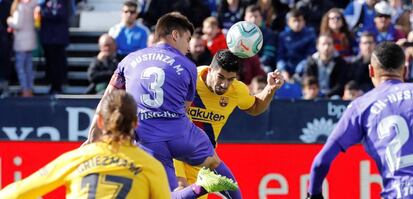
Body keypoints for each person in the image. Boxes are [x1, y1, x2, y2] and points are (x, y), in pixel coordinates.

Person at [84, 12, 239, 199]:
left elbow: (107, 99)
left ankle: (198, 188)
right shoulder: (189, 66)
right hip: (180, 131)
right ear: (175, 35)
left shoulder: (128, 60)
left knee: (165, 195)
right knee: (214, 163)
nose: (188, 48)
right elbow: (185, 108)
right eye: (187, 40)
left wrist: (93, 134)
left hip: (147, 136)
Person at [0, 90, 171, 198]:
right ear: (135, 123)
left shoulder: (76, 158)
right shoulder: (151, 166)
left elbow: (15, 194)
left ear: (100, 122)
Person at [307, 42, 413, 199]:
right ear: (405, 71)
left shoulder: (362, 106)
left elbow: (320, 162)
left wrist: (313, 194)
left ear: (371, 71)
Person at [174, 49, 285, 198]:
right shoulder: (189, 80)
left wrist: (270, 89)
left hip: (201, 160)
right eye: (220, 77)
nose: (224, 84)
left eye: (230, 79)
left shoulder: (236, 90)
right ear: (210, 70)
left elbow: (254, 107)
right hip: (174, 152)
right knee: (179, 190)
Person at [37, 0, 71, 94]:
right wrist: (51, 14)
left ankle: (59, 85)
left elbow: (63, 14)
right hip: (48, 38)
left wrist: (50, 14)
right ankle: (51, 84)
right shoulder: (43, 2)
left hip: (60, 38)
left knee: (59, 63)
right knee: (50, 63)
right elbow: (42, 13)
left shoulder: (64, 2)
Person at [7, 0, 37, 97]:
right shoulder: (33, 6)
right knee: (28, 66)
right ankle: (29, 88)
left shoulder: (20, 7)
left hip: (21, 42)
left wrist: (9, 21)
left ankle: (25, 89)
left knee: (20, 67)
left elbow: (18, 24)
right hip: (30, 40)